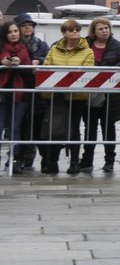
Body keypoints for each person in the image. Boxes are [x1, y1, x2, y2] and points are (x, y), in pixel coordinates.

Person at [41, 19, 94, 175]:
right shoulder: (54, 49)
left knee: (74, 128)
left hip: (76, 96)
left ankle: (74, 162)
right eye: (71, 30)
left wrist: (65, 78)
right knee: (55, 127)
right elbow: (47, 67)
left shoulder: (87, 51)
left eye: (77, 29)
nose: (75, 32)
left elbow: (87, 71)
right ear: (64, 33)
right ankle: (52, 162)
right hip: (56, 95)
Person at [83, 17, 120, 173]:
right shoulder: (85, 43)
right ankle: (87, 159)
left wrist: (101, 71)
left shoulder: (116, 45)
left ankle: (109, 161)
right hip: (89, 93)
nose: (104, 31)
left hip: (110, 95)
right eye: (100, 29)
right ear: (94, 31)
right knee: (89, 128)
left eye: (106, 28)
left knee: (109, 128)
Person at [9, 14, 47, 172]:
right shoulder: (11, 44)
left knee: (35, 125)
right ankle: (16, 156)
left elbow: (48, 57)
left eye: (30, 25)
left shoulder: (40, 44)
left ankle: (31, 157)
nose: (27, 27)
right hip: (16, 89)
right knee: (18, 125)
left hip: (36, 90)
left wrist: (39, 60)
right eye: (24, 25)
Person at [0, 20, 32, 172]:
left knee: (15, 128)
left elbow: (29, 74)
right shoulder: (1, 49)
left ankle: (14, 160)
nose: (13, 34)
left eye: (15, 31)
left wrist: (21, 64)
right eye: (9, 32)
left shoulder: (25, 50)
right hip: (2, 95)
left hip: (20, 95)